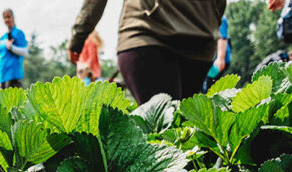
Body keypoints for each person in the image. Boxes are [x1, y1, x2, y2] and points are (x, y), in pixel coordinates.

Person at [69, 0, 227, 104]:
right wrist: (211, 23)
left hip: (148, 31)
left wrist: (79, 33)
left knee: (163, 132)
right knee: (181, 130)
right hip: (200, 37)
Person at [0, 9, 27, 89]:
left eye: (8, 17)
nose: (7, 19)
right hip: (2, 75)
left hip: (14, 75)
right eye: (4, 18)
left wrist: (11, 48)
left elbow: (25, 52)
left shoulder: (18, 33)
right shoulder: (2, 38)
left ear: (13, 17)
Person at [204, 16, 231, 92]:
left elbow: (222, 38)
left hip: (217, 61)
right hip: (210, 60)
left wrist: (220, 58)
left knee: (210, 86)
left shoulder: (220, 17)